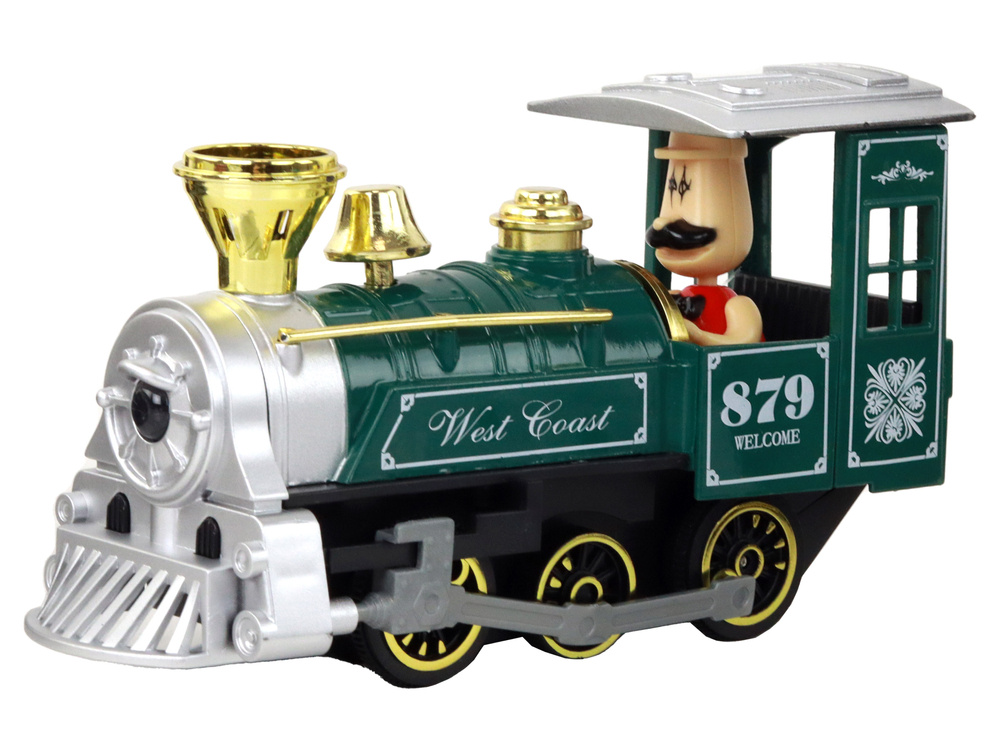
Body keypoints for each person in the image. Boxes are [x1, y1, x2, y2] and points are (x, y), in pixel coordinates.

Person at [645, 133, 763, 346]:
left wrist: (698, 335)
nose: (662, 223)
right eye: (673, 187)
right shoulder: (677, 297)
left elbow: (744, 341)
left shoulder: (739, 306)